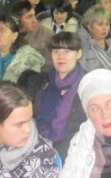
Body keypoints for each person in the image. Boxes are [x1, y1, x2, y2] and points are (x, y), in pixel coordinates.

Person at [32, 32, 88, 160]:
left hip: (72, 151)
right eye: (56, 51)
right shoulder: (41, 82)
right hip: (36, 144)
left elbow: (85, 131)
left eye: (67, 51)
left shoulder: (87, 86)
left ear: (78, 54)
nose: (60, 56)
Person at [78, 5, 111, 74]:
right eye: (100, 24)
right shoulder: (82, 46)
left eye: (107, 24)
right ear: (89, 26)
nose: (104, 28)